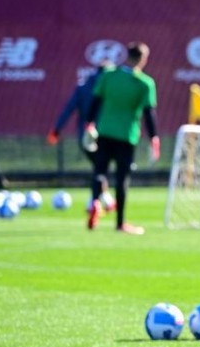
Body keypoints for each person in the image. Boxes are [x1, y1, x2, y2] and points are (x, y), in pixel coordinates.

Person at [84, 42, 160, 234]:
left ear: (127, 56)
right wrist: (154, 138)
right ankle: (120, 223)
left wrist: (89, 123)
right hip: (126, 136)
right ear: (143, 59)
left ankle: (95, 203)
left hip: (104, 132)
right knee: (122, 178)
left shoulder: (108, 75)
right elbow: (149, 114)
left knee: (100, 171)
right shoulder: (145, 83)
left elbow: (95, 101)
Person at [47, 60, 116, 211]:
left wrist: (57, 130)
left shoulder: (82, 87)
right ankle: (94, 202)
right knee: (101, 169)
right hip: (105, 136)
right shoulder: (110, 87)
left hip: (84, 137)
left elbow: (68, 110)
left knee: (99, 168)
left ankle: (106, 199)